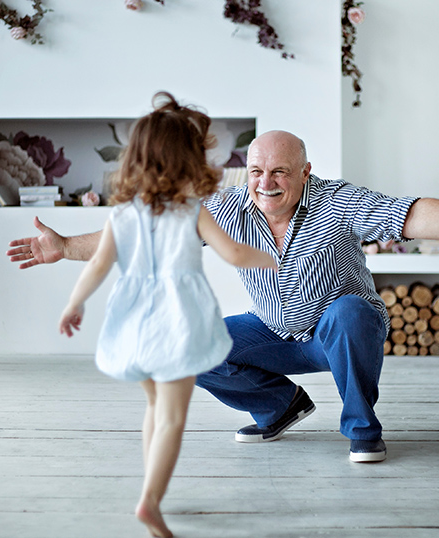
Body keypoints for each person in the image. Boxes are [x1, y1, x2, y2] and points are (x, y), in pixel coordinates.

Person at [13, 129, 439, 465]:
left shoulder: (337, 202)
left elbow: (414, 216)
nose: (266, 181)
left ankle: (363, 430)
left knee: (348, 311)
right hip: (276, 332)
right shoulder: (226, 208)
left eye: (280, 171)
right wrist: (63, 246)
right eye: (256, 171)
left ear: (305, 173)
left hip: (342, 331)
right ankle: (279, 405)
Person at [57, 92, 277, 538]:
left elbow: (98, 265)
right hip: (178, 322)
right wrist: (270, 260)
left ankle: (148, 490)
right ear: (188, 161)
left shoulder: (122, 215)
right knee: (174, 418)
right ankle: (150, 503)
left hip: (134, 322)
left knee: (154, 408)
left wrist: (74, 304)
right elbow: (233, 253)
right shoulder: (192, 210)